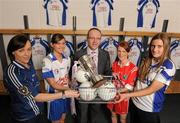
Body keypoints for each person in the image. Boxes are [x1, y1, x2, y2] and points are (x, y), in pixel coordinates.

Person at [3, 34, 79, 123]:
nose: (26, 54)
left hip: (39, 109)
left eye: (29, 49)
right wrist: (65, 93)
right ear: (13, 52)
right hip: (25, 115)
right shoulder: (13, 72)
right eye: (21, 50)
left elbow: (36, 84)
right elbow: (35, 96)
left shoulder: (28, 63)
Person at [118, 33, 176, 123]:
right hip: (135, 103)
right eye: (153, 46)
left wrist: (127, 95)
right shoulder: (147, 59)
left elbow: (150, 90)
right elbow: (138, 81)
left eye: (159, 46)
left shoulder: (168, 66)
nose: (155, 49)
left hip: (148, 109)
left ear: (166, 47)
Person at [74, 27, 112, 123]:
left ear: (100, 39)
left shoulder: (105, 54)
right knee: (82, 117)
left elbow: (107, 72)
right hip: (83, 91)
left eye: (98, 38)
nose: (95, 41)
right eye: (92, 38)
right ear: (87, 39)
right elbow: (73, 75)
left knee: (95, 116)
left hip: (98, 91)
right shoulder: (78, 54)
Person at [42, 34, 73, 123]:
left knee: (63, 118)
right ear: (52, 44)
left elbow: (67, 76)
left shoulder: (67, 58)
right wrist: (70, 89)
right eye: (58, 43)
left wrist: (71, 84)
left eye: (63, 43)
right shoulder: (47, 60)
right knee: (56, 121)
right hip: (54, 97)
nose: (61, 46)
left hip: (66, 95)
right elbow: (53, 84)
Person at [107, 41, 138, 123]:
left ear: (128, 52)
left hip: (123, 97)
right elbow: (111, 79)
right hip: (112, 95)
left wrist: (114, 91)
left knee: (122, 119)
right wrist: (112, 73)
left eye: (124, 51)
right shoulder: (114, 64)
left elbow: (129, 87)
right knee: (113, 115)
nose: (121, 54)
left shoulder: (133, 68)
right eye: (119, 51)